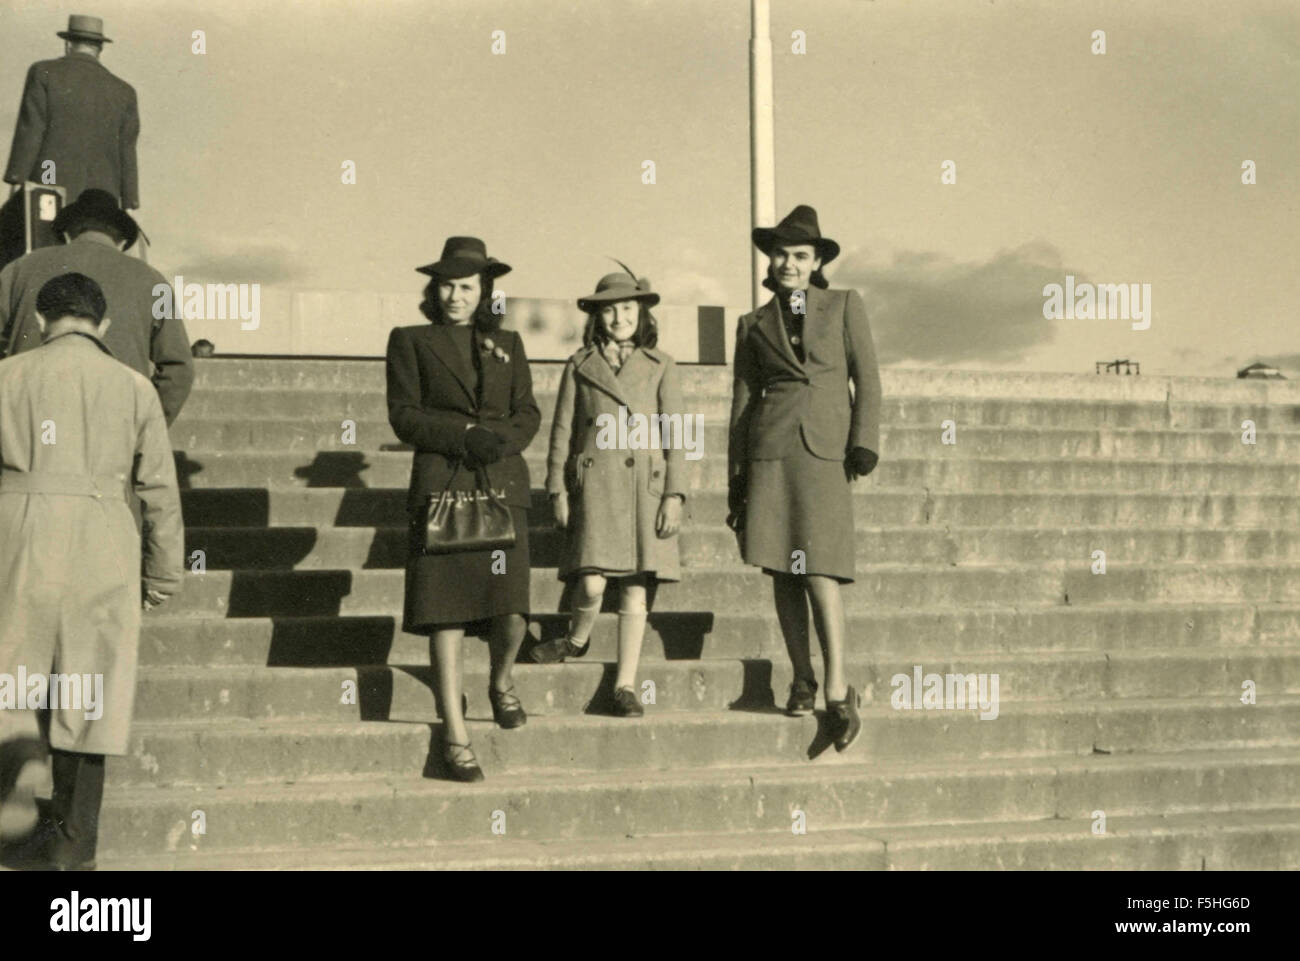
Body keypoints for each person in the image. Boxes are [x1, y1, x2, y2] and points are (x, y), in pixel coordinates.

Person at [0, 272, 183, 870]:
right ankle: (74, 859)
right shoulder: (134, 387)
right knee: (88, 695)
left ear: (41, 322)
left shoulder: (6, 375)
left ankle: (13, 843)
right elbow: (159, 489)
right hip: (102, 543)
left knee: (11, 690)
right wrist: (161, 576)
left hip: (16, 539)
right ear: (102, 325)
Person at [385, 237, 540, 782]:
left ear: (485, 292)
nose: (455, 295)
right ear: (434, 289)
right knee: (444, 614)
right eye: (446, 285)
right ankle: (454, 732)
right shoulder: (409, 341)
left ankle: (500, 680)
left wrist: (500, 441)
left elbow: (527, 411)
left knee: (512, 612)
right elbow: (403, 416)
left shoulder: (508, 342)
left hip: (501, 484)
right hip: (442, 485)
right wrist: (464, 434)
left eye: (467, 286)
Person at [727, 205, 882, 752]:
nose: (788, 263)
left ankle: (838, 687)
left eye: (799, 255)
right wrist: (737, 480)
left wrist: (864, 441)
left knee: (821, 571)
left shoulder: (843, 306)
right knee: (781, 572)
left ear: (817, 262)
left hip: (824, 454)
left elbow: (867, 377)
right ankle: (801, 676)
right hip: (770, 455)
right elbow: (742, 406)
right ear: (769, 261)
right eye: (780, 254)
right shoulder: (752, 324)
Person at [531, 266, 688, 717]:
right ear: (596, 318)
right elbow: (562, 429)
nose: (619, 318)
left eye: (627, 309)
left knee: (636, 588)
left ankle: (624, 685)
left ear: (641, 313)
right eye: (610, 311)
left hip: (644, 488)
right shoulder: (580, 365)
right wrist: (557, 489)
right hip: (596, 486)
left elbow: (677, 434)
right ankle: (578, 639)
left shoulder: (662, 366)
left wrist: (675, 494)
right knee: (594, 581)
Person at [0, 189, 193, 425]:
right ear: (122, 241)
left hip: (26, 423)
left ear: (68, 235)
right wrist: (145, 427)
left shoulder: (19, 268)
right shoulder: (154, 281)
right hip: (113, 428)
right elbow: (179, 368)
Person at [1, 16, 141, 269]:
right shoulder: (124, 91)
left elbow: (31, 129)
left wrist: (16, 178)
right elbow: (127, 152)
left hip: (49, 185)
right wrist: (129, 202)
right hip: (102, 199)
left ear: (68, 44)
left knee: (31, 257)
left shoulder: (43, 72)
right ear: (100, 49)